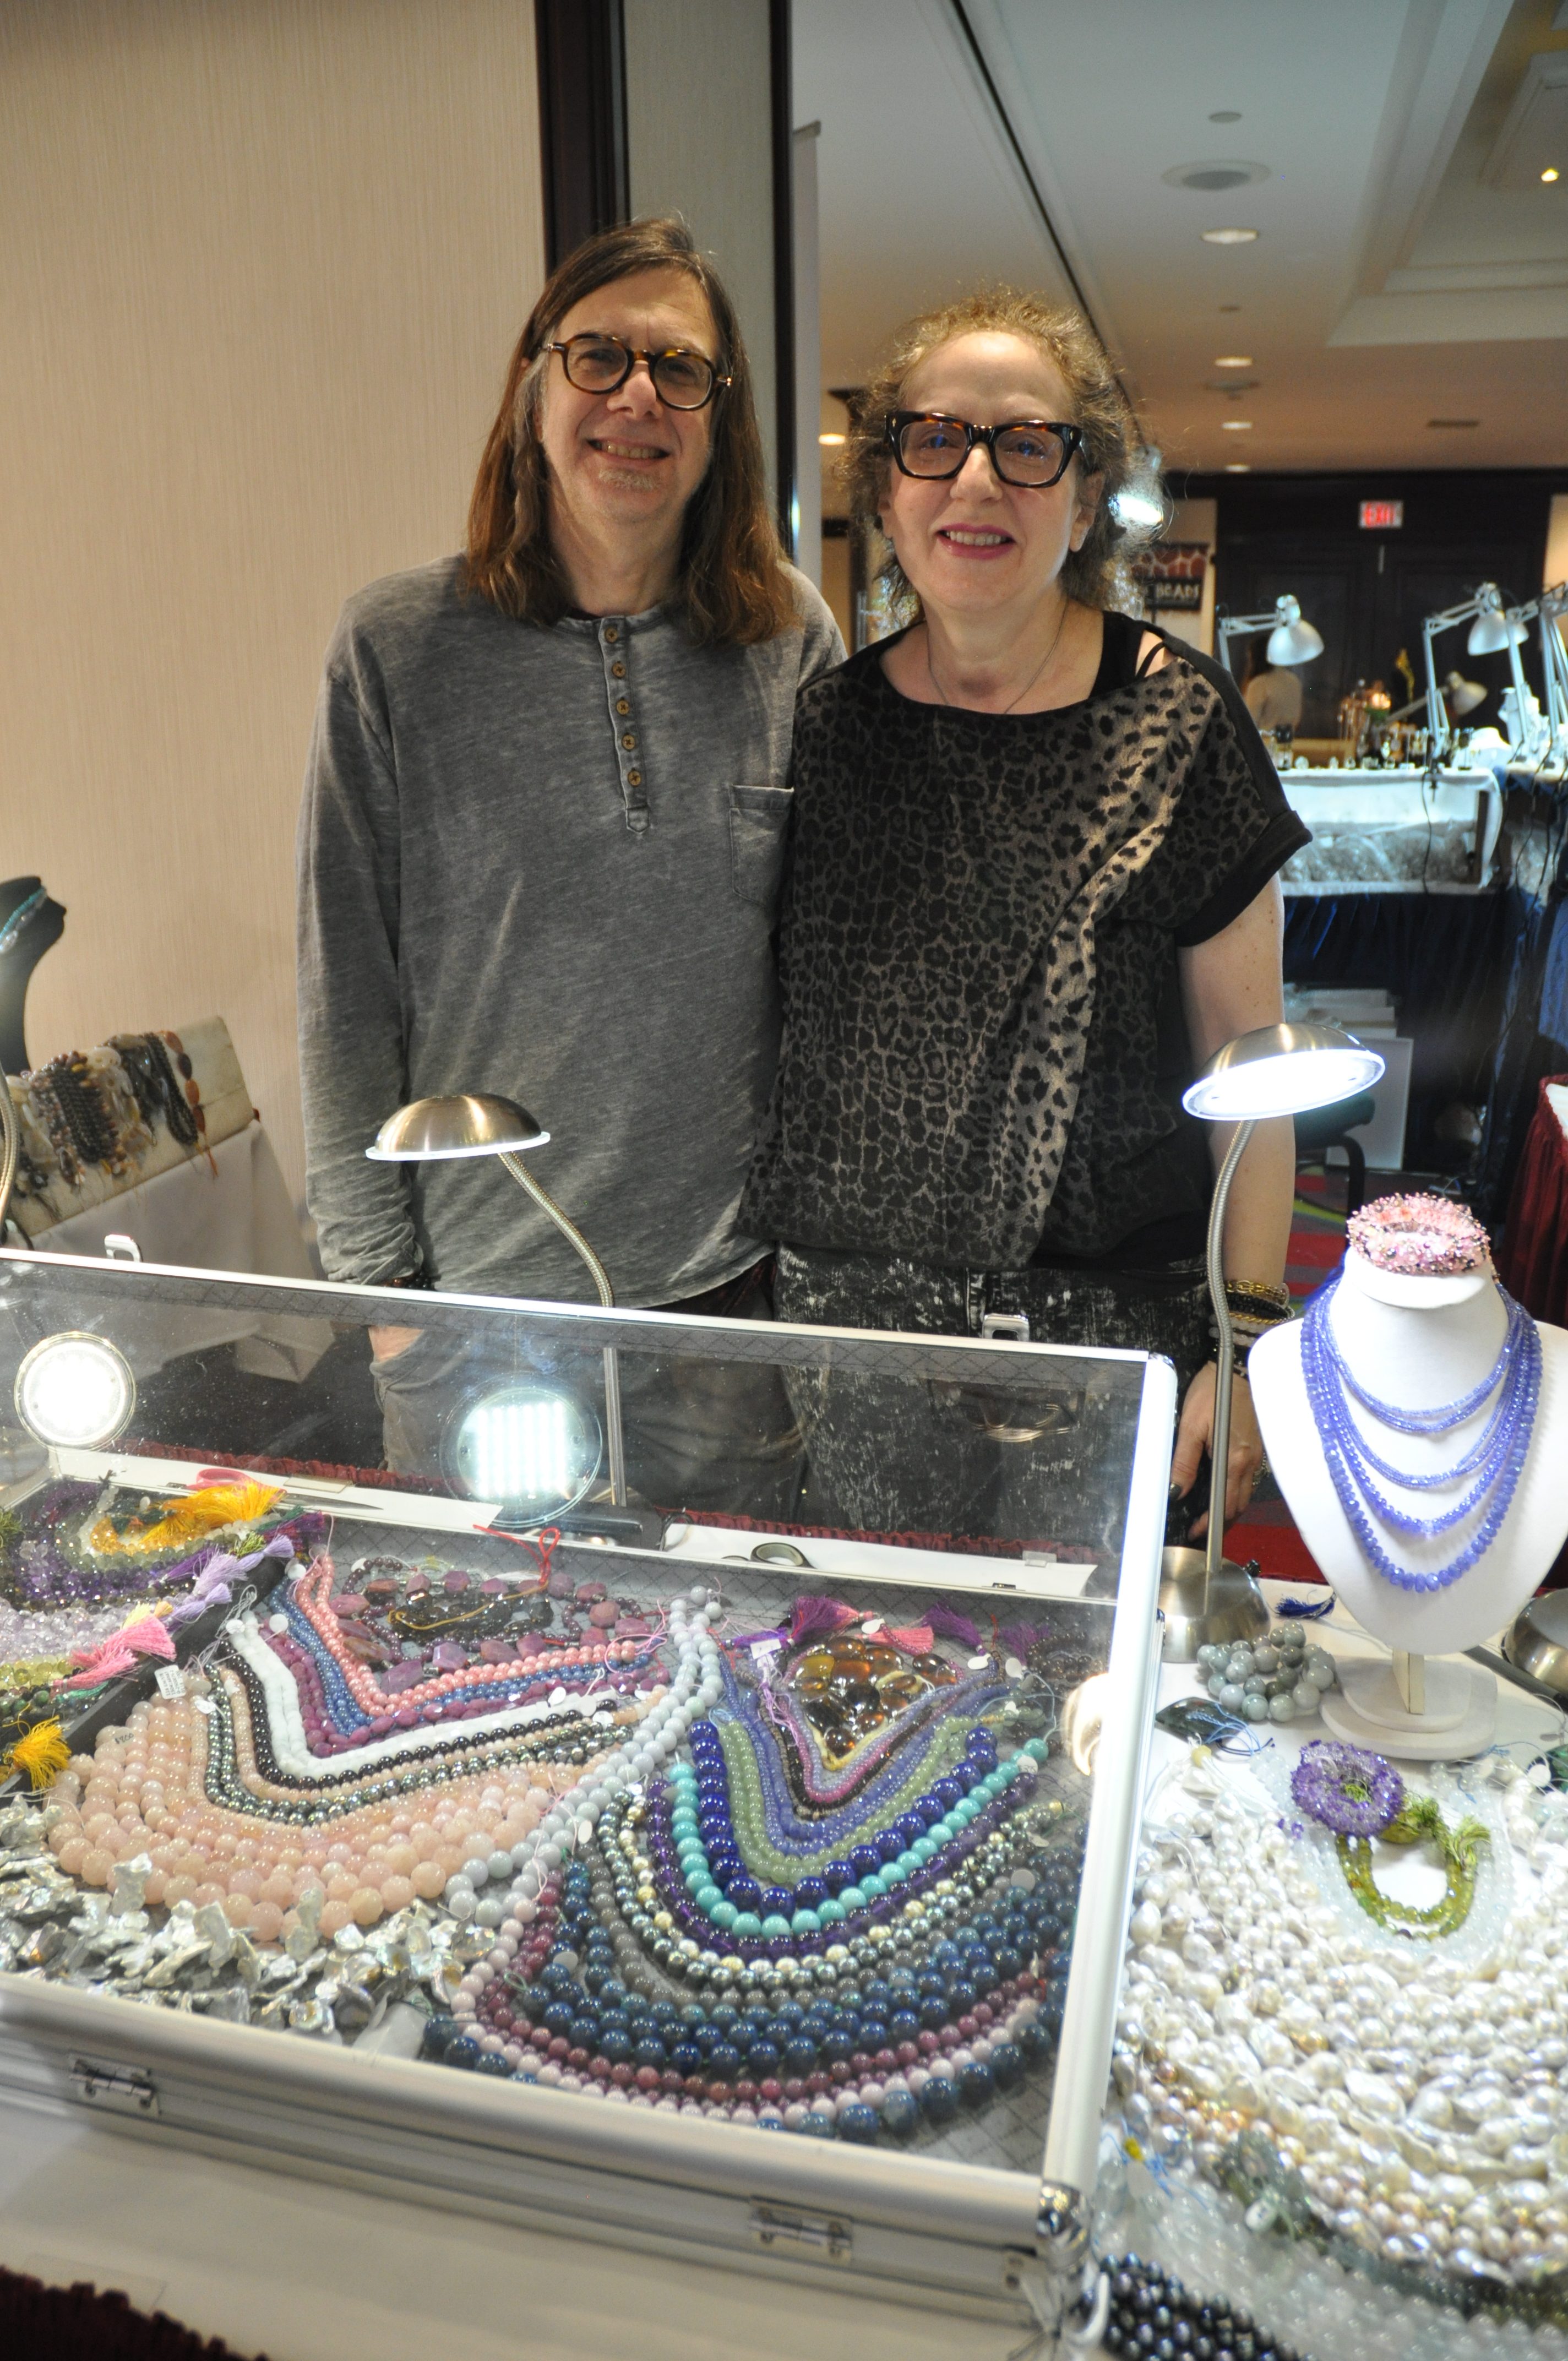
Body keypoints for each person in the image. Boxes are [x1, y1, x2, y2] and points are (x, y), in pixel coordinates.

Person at [741, 288, 1310, 1543]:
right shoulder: (820, 731)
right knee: (881, 1648)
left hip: (1109, 1333)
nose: (976, 479)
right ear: (885, 489)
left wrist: (1249, 1334)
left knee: (1092, 1659)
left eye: (1026, 443)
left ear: (1085, 494)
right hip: (858, 1334)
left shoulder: (1181, 721)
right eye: (934, 439)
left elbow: (1249, 1069)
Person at [297, 217, 842, 1504]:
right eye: (599, 357)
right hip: (473, 1316)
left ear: (719, 417)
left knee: (734, 1637)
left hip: (723, 1316)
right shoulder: (396, 646)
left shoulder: (787, 639)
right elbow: (344, 986)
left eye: (679, 368)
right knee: (473, 1638)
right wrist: (386, 1302)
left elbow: (828, 972)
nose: (637, 396)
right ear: (533, 389)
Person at [1242, 647, 1303, 735]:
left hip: (1263, 740)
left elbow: (1249, 722)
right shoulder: (1294, 681)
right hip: (1289, 739)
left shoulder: (1259, 683)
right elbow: (1296, 719)